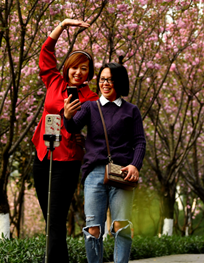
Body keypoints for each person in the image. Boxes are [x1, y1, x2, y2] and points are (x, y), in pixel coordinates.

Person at [63, 60, 146, 263]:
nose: (105, 83)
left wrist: (135, 165)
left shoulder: (131, 110)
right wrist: (67, 116)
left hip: (122, 172)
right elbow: (73, 127)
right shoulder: (90, 107)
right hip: (94, 173)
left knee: (121, 225)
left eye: (110, 79)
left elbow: (139, 141)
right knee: (93, 228)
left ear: (119, 82)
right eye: (102, 79)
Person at [32, 18, 98, 263]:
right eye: (74, 67)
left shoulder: (90, 99)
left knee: (56, 218)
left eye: (84, 69)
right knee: (50, 220)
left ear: (89, 74)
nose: (78, 72)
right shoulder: (54, 81)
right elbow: (46, 51)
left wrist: (71, 121)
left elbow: (97, 130)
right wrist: (62, 25)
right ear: (67, 68)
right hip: (42, 155)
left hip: (67, 161)